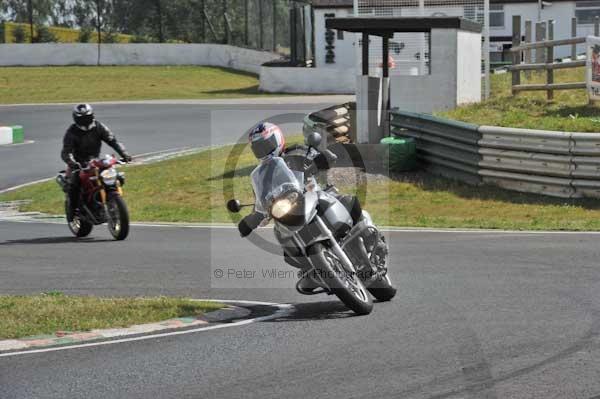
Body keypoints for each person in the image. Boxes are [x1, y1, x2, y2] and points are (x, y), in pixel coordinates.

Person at [61, 104, 132, 219]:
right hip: (77, 163)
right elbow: (66, 151)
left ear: (92, 115)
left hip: (95, 160)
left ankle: (111, 199)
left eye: (87, 117)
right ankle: (72, 212)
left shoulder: (99, 126)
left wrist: (124, 154)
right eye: (81, 118)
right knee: (74, 184)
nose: (85, 120)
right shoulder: (72, 132)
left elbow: (112, 140)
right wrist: (72, 162)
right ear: (76, 118)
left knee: (116, 176)